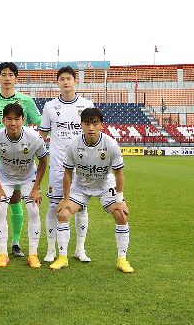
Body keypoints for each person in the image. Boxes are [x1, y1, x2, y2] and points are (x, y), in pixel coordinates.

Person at [50, 107, 134, 273]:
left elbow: (119, 174)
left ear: (101, 125)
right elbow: (67, 173)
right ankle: (63, 257)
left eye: (95, 123)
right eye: (87, 123)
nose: (90, 128)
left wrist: (119, 200)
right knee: (63, 214)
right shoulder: (73, 145)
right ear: (81, 124)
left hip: (104, 185)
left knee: (121, 215)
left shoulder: (111, 145)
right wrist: (65, 199)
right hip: (80, 186)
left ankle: (122, 259)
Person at [0, 62, 42, 258]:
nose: (7, 78)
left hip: (19, 158)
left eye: (10, 74)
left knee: (16, 200)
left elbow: (40, 122)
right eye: (3, 74)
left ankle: (15, 243)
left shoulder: (26, 100)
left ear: (16, 78)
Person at [38, 66, 94, 263]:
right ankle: (51, 250)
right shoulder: (50, 106)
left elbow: (92, 134)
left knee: (81, 207)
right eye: (61, 79)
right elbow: (42, 135)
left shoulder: (87, 105)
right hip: (58, 166)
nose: (65, 82)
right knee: (54, 206)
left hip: (81, 166)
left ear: (75, 81)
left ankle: (80, 249)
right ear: (58, 82)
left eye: (69, 78)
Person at [0, 103, 48, 268]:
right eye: (9, 119)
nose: (13, 123)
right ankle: (3, 254)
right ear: (3, 120)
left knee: (34, 210)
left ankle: (33, 254)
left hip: (28, 178)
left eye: (17, 119)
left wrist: (36, 188)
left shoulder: (34, 138)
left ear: (23, 120)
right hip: (5, 178)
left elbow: (43, 161)